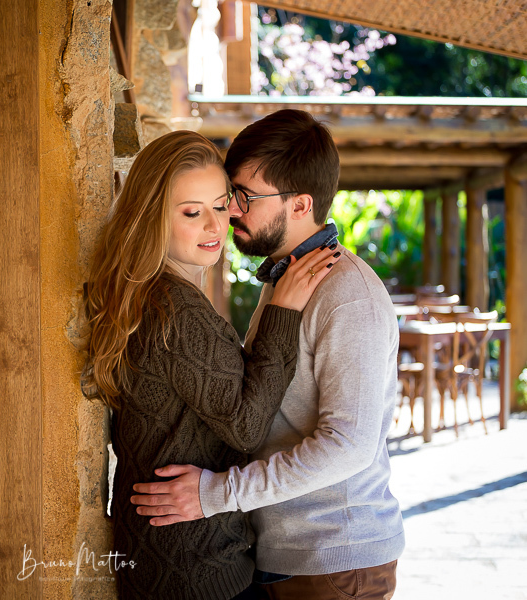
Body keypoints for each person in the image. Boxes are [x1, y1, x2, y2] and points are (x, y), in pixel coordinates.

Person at [130, 109, 405, 600]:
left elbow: (350, 444)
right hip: (284, 554)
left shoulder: (348, 294)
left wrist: (214, 494)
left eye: (244, 197)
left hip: (334, 561)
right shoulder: (288, 281)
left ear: (301, 205)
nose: (231, 211)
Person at [81, 129, 339, 599]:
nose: (214, 226)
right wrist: (283, 316)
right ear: (152, 215)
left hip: (164, 555)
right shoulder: (176, 310)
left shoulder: (149, 294)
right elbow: (244, 427)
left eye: (221, 206)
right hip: (197, 570)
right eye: (191, 212)